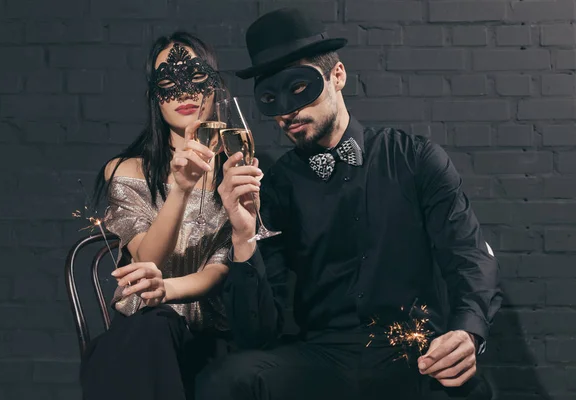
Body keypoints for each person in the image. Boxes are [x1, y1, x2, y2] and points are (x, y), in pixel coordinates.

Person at [196, 8, 502, 400]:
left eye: (300, 87)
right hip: (323, 359)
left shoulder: (415, 159)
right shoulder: (274, 189)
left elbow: (470, 256)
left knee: (471, 392)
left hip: (413, 352)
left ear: (336, 76)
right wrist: (243, 236)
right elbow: (257, 332)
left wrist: (467, 332)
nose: (287, 111)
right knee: (226, 379)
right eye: (272, 98)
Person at [80, 31, 233, 400]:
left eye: (196, 78)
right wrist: (179, 189)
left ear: (214, 86)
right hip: (146, 328)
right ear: (155, 95)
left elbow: (223, 264)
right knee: (149, 331)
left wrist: (170, 289)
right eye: (168, 81)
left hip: (212, 333)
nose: (184, 92)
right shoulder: (127, 170)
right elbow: (148, 258)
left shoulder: (237, 170)